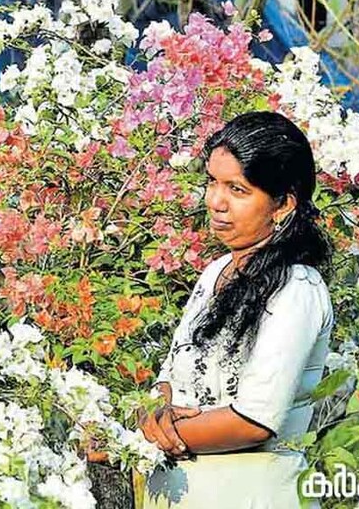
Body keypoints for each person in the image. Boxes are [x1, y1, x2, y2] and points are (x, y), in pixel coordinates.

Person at [139, 111, 334, 508]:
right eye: (212, 182)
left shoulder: (297, 287)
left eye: (237, 189)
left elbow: (253, 421)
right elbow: (170, 376)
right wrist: (154, 412)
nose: (216, 202)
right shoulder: (215, 272)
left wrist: (152, 436)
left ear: (282, 205)